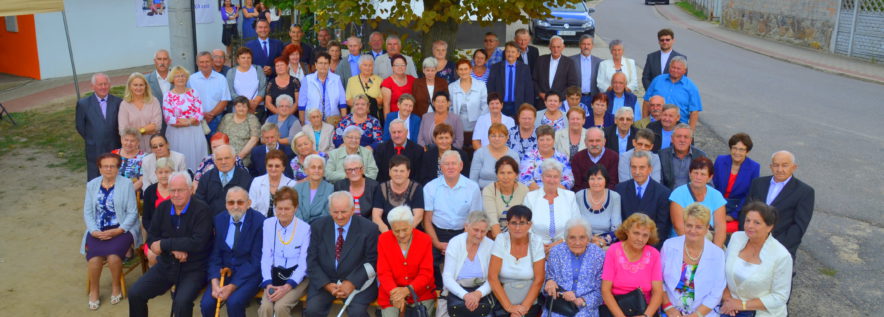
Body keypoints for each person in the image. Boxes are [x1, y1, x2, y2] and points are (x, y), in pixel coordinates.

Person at [128, 172, 213, 317]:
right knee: (135, 293)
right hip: (167, 264)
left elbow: (198, 242)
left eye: (181, 190)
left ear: (191, 189)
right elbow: (152, 237)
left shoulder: (202, 210)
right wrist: (172, 249)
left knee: (181, 302)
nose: (176, 194)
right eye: (172, 190)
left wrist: (164, 244)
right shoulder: (163, 208)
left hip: (194, 268)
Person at [304, 191, 381, 317]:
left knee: (357, 313)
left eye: (344, 212)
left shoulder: (369, 228)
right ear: (329, 210)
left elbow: (372, 261)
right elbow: (311, 260)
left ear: (352, 210)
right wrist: (326, 285)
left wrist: (352, 282)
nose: (339, 216)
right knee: (312, 311)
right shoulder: (318, 226)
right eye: (335, 212)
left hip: (358, 283)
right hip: (326, 282)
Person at [82, 153, 141, 310]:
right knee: (94, 259)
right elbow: (88, 212)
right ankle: (94, 291)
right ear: (100, 168)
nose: (109, 169)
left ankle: (116, 286)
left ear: (118, 168)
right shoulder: (92, 185)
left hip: (121, 229)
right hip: (98, 230)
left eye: (112, 166)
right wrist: (94, 231)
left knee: (114, 257)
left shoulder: (126, 184)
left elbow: (132, 213)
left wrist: (118, 230)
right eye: (105, 166)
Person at [199, 187, 265, 317]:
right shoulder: (219, 220)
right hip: (224, 273)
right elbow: (215, 254)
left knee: (234, 303)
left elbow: (256, 261)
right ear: (226, 204)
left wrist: (232, 286)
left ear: (248, 203)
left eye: (240, 202)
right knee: (206, 304)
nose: (235, 206)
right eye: (231, 202)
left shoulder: (260, 222)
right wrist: (214, 281)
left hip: (249, 274)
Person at [720, 202, 793, 316]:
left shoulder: (782, 256)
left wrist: (742, 305)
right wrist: (727, 299)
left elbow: (780, 297)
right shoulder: (736, 238)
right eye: (747, 220)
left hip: (759, 312)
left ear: (770, 227)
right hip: (729, 306)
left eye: (757, 223)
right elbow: (722, 272)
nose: (749, 226)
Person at [423, 150, 482, 288]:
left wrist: (459, 243)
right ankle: (436, 296)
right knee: (429, 265)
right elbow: (426, 221)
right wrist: (437, 243)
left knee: (467, 266)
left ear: (461, 166)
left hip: (464, 233)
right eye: (446, 164)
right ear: (441, 167)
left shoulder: (472, 187)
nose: (450, 167)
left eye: (453, 164)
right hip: (437, 233)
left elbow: (475, 220)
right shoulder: (430, 187)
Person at [660, 203, 726, 317]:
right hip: (670, 311)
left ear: (706, 229)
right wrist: (668, 307)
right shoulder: (669, 246)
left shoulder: (717, 254)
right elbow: (658, 280)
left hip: (703, 313)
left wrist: (696, 315)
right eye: (689, 225)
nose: (693, 230)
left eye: (698, 227)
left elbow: (716, 292)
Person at [745, 151, 815, 258]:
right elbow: (745, 212)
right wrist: (748, 236)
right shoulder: (758, 183)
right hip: (750, 242)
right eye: (776, 165)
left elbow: (799, 227)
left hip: (779, 247)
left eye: (785, 165)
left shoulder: (804, 192)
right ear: (770, 166)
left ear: (794, 167)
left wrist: (772, 245)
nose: (780, 169)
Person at [258, 186, 311, 317]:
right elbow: (266, 256)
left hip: (297, 277)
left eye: (287, 209)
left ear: (295, 208)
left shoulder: (305, 229)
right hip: (274, 275)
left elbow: (303, 264)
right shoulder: (268, 224)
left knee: (281, 306)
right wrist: (268, 283)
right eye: (279, 208)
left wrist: (287, 287)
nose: (282, 213)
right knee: (265, 307)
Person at [599, 213, 664, 317]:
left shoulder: (654, 254)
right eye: (636, 233)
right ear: (627, 231)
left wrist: (645, 316)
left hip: (643, 309)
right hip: (615, 308)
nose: (640, 239)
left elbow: (658, 292)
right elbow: (605, 290)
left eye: (645, 235)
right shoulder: (613, 250)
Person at [377, 206, 436, 316]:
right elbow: (384, 272)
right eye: (396, 231)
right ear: (391, 228)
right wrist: (395, 294)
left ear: (411, 224)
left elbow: (426, 273)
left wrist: (407, 290)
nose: (401, 235)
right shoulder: (383, 239)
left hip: (420, 292)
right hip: (391, 292)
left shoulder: (424, 240)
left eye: (405, 229)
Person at [487, 205, 545, 316]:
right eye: (513, 223)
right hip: (502, 302)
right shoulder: (501, 239)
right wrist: (509, 307)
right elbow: (492, 277)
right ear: (507, 224)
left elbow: (539, 279)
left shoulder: (536, 241)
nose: (517, 228)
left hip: (529, 303)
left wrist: (522, 309)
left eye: (522, 223)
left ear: (529, 225)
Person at [543, 218, 606, 317]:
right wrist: (550, 282)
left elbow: (602, 290)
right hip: (559, 307)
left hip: (586, 309)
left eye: (582, 237)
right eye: (572, 237)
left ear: (589, 238)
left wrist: (582, 300)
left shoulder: (598, 255)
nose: (577, 242)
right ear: (566, 238)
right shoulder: (556, 252)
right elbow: (547, 283)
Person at [442, 211, 495, 316]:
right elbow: (447, 277)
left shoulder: (491, 245)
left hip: (482, 292)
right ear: (466, 226)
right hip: (456, 291)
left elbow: (493, 278)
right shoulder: (455, 243)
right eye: (476, 230)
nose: (479, 235)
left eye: (483, 231)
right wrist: (466, 296)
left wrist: (478, 294)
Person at [615, 151, 672, 247]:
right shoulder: (620, 189)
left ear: (650, 169)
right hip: (625, 246)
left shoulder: (663, 193)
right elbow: (619, 223)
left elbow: (662, 228)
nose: (637, 172)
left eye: (642, 167)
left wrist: (647, 247)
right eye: (634, 167)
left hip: (651, 247)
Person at [523, 159, 581, 252]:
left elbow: (576, 225)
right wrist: (539, 245)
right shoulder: (530, 197)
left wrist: (560, 243)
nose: (552, 180)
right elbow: (524, 226)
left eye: (556, 177)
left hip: (566, 246)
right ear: (542, 177)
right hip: (535, 247)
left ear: (560, 178)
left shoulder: (570, 196)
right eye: (548, 176)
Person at [669, 157, 727, 246]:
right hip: (683, 241)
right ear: (690, 174)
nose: (698, 177)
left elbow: (720, 228)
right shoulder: (678, 193)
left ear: (710, 177)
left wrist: (715, 251)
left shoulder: (716, 195)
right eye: (695, 173)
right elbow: (679, 227)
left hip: (709, 241)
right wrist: (695, 250)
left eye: (703, 174)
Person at [77, 73, 122, 180]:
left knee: (115, 176)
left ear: (109, 85)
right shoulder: (83, 104)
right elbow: (80, 126)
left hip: (114, 146)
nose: (103, 87)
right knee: (95, 179)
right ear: (93, 86)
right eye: (100, 84)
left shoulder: (118, 102)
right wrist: (93, 138)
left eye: (105, 84)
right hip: (94, 148)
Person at [713, 133, 760, 234]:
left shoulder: (754, 167)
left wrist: (733, 215)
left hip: (738, 210)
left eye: (742, 149)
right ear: (730, 149)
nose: (737, 152)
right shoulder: (720, 160)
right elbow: (714, 185)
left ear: (747, 152)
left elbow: (750, 195)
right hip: (716, 205)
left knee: (723, 230)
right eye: (734, 148)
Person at [164, 66, 210, 171]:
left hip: (194, 133)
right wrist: (189, 121)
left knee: (197, 158)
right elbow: (169, 118)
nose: (180, 78)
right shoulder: (167, 96)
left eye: (182, 76)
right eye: (177, 76)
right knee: (179, 160)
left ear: (186, 78)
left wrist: (186, 121)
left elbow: (199, 113)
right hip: (177, 134)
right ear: (172, 79)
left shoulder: (194, 92)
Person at [645, 57, 702, 130]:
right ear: (669, 67)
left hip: (679, 126)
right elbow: (646, 101)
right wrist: (645, 122)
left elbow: (694, 112)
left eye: (678, 69)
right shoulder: (658, 80)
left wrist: (690, 133)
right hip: (656, 123)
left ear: (684, 71)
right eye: (673, 67)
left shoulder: (691, 87)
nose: (675, 70)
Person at [195, 144, 254, 215]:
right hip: (210, 222)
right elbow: (199, 203)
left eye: (227, 158)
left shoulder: (245, 177)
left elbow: (248, 204)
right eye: (219, 159)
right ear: (215, 161)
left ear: (234, 158)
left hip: (236, 220)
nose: (223, 162)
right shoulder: (206, 177)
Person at [372, 155, 425, 231]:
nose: (398, 174)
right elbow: (376, 217)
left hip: (410, 232)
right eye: (395, 170)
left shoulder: (416, 188)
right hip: (387, 232)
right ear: (389, 172)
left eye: (402, 171)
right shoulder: (381, 188)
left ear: (408, 172)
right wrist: (387, 233)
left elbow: (418, 216)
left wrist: (403, 233)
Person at [576, 165, 622, 249]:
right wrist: (591, 240)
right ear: (588, 180)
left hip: (607, 243)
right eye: (592, 178)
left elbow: (616, 227)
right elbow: (575, 224)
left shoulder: (614, 197)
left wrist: (601, 242)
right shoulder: (579, 196)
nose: (596, 182)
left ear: (605, 180)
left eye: (599, 178)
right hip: (582, 241)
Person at [482, 156, 528, 239]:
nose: (505, 177)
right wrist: (503, 245)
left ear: (516, 174)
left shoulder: (524, 190)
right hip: (493, 235)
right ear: (497, 174)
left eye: (509, 173)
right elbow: (493, 221)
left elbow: (525, 220)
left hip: (518, 234)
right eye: (502, 173)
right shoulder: (489, 190)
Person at [519, 125, 574, 190]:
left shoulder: (562, 158)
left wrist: (554, 191)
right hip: (535, 194)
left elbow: (569, 180)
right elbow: (524, 178)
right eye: (541, 140)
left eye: (548, 139)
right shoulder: (529, 156)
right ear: (537, 141)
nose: (545, 143)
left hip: (557, 193)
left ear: (553, 140)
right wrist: (541, 193)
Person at [487, 41, 535, 117]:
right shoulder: (496, 67)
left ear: (518, 54)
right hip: (500, 105)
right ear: (504, 53)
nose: (510, 54)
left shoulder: (524, 68)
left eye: (513, 52)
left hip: (518, 105)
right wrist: (493, 103)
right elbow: (490, 87)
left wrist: (528, 107)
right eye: (508, 51)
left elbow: (529, 90)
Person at [450, 59, 489, 150]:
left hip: (476, 123)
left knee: (476, 149)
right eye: (461, 69)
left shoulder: (481, 85)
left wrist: (480, 122)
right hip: (458, 124)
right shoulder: (451, 87)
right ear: (457, 71)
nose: (463, 72)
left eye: (466, 69)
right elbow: (450, 107)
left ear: (471, 70)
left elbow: (485, 105)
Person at [188, 52, 231, 136]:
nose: (204, 64)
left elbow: (224, 100)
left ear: (212, 62)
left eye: (207, 61)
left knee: (216, 145)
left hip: (217, 118)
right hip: (197, 119)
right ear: (197, 63)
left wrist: (211, 115)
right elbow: (189, 100)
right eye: (201, 62)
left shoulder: (221, 79)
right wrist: (202, 115)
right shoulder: (191, 79)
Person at [141, 157, 174, 266]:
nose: (164, 175)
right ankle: (157, 280)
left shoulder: (178, 189)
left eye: (167, 172)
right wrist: (155, 233)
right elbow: (146, 219)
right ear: (155, 173)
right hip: (155, 235)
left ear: (173, 173)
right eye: (160, 172)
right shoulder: (150, 191)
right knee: (153, 255)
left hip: (176, 235)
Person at [119, 72, 162, 153]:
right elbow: (123, 130)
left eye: (141, 85)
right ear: (130, 86)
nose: (138, 88)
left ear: (146, 86)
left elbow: (157, 126)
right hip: (133, 147)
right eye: (135, 85)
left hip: (153, 145)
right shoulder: (124, 104)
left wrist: (135, 131)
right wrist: (147, 129)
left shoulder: (154, 101)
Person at [298, 53, 348, 122]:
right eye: (320, 63)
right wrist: (302, 124)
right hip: (312, 121)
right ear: (315, 65)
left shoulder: (336, 79)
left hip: (332, 120)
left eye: (326, 63)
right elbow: (301, 105)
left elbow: (342, 103)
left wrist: (344, 122)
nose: (323, 66)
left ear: (329, 65)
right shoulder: (307, 79)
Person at [249, 149, 296, 217]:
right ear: (266, 166)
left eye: (277, 166)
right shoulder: (257, 181)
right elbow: (251, 207)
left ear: (283, 168)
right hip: (259, 223)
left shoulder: (292, 185)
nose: (273, 169)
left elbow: (293, 210)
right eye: (270, 166)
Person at [470, 123, 519, 188]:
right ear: (488, 137)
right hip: (483, 193)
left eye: (501, 136)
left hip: (507, 192)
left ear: (507, 138)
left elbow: (516, 179)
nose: (497, 139)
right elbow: (473, 180)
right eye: (493, 136)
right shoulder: (479, 153)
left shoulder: (513, 155)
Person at [659, 123, 708, 189]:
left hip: (692, 196)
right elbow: (659, 182)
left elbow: (707, 182)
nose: (682, 140)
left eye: (686, 137)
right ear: (672, 139)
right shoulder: (662, 155)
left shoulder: (701, 156)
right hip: (667, 196)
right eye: (678, 136)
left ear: (691, 140)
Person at [571, 127, 618, 192]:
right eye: (591, 141)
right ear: (585, 142)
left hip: (607, 196)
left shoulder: (613, 157)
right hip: (584, 197)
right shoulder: (577, 158)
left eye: (598, 140)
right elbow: (577, 185)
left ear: (604, 141)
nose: (594, 144)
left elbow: (613, 183)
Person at [533, 36, 579, 103]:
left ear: (563, 47)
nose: (555, 49)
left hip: (560, 102)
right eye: (553, 47)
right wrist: (540, 93)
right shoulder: (540, 60)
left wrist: (559, 97)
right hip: (542, 101)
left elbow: (572, 84)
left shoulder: (569, 63)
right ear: (549, 47)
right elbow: (534, 80)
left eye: (558, 47)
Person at [219, 96, 261, 165]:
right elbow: (219, 136)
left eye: (244, 106)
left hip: (244, 156)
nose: (241, 109)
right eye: (239, 106)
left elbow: (254, 139)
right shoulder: (227, 117)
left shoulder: (252, 119)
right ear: (234, 107)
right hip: (226, 154)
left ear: (248, 108)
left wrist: (238, 157)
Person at [294, 154, 334, 224]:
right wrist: (303, 226)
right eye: (313, 167)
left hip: (319, 229)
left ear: (324, 171)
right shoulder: (297, 188)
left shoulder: (330, 189)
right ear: (306, 170)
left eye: (320, 167)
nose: (316, 170)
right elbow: (296, 210)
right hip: (299, 227)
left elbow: (326, 214)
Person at [227, 49, 267, 119]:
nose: (246, 60)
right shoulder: (231, 72)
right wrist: (246, 103)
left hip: (256, 106)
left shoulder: (258, 69)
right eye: (243, 58)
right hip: (238, 107)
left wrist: (255, 103)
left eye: (249, 58)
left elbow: (262, 88)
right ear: (238, 59)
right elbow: (230, 91)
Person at [345, 55, 384, 120]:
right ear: (360, 66)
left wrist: (362, 103)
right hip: (356, 117)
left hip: (373, 117)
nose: (368, 68)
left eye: (370, 65)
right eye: (365, 65)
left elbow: (381, 100)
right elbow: (348, 100)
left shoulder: (379, 80)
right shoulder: (352, 80)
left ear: (373, 66)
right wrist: (363, 105)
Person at [381, 54, 417, 121]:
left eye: (402, 65)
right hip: (395, 119)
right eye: (397, 65)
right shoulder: (387, 83)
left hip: (411, 118)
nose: (400, 67)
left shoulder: (413, 80)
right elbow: (386, 106)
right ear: (392, 67)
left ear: (406, 66)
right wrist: (388, 123)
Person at [570, 34, 604, 105]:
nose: (586, 47)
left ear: (592, 46)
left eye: (588, 44)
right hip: (576, 97)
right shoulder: (571, 60)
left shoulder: (599, 62)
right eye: (583, 44)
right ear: (579, 45)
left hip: (593, 98)